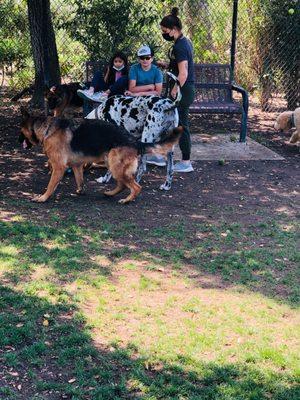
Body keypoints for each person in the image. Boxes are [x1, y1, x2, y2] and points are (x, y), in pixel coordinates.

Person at [159, 7, 195, 173]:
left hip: (183, 89)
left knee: (182, 125)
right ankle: (162, 154)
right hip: (184, 88)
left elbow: (184, 73)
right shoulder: (183, 42)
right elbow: (179, 66)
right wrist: (167, 65)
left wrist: (175, 89)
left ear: (174, 30)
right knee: (171, 121)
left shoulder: (180, 46)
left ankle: (186, 161)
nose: (164, 33)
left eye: (165, 31)